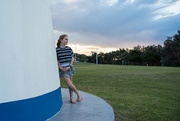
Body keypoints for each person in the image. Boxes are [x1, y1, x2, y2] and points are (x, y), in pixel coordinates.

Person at [56, 34, 82, 104]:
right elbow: (58, 60)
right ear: (61, 40)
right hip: (63, 69)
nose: (67, 41)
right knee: (69, 84)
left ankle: (71, 98)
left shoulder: (69, 48)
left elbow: (72, 58)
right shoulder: (57, 50)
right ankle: (78, 93)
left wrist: (70, 66)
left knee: (71, 84)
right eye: (66, 39)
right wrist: (60, 67)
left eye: (67, 39)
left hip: (69, 67)